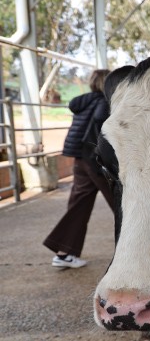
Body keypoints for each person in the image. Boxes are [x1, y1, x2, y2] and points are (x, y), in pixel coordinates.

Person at [43, 69, 115, 269]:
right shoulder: (103, 102)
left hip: (79, 158)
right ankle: (139, 254)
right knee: (123, 204)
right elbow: (100, 123)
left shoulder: (85, 101)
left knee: (79, 204)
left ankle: (64, 253)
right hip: (94, 160)